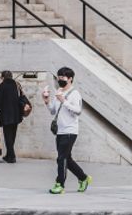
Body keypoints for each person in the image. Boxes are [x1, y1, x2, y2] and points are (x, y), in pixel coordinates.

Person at [44, 66, 91, 194]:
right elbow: (53, 111)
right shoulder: (59, 91)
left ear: (70, 79)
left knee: (61, 158)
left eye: (63, 77)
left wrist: (64, 101)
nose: (60, 80)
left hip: (70, 131)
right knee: (66, 159)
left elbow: (78, 111)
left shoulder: (75, 94)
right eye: (59, 77)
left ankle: (60, 184)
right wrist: (47, 101)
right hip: (60, 131)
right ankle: (83, 178)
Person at [0, 70, 28, 163]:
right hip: (17, 115)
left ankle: (12, 156)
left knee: (7, 136)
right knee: (12, 136)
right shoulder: (17, 85)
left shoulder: (1, 86)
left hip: (6, 115)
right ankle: (9, 155)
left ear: (3, 77)